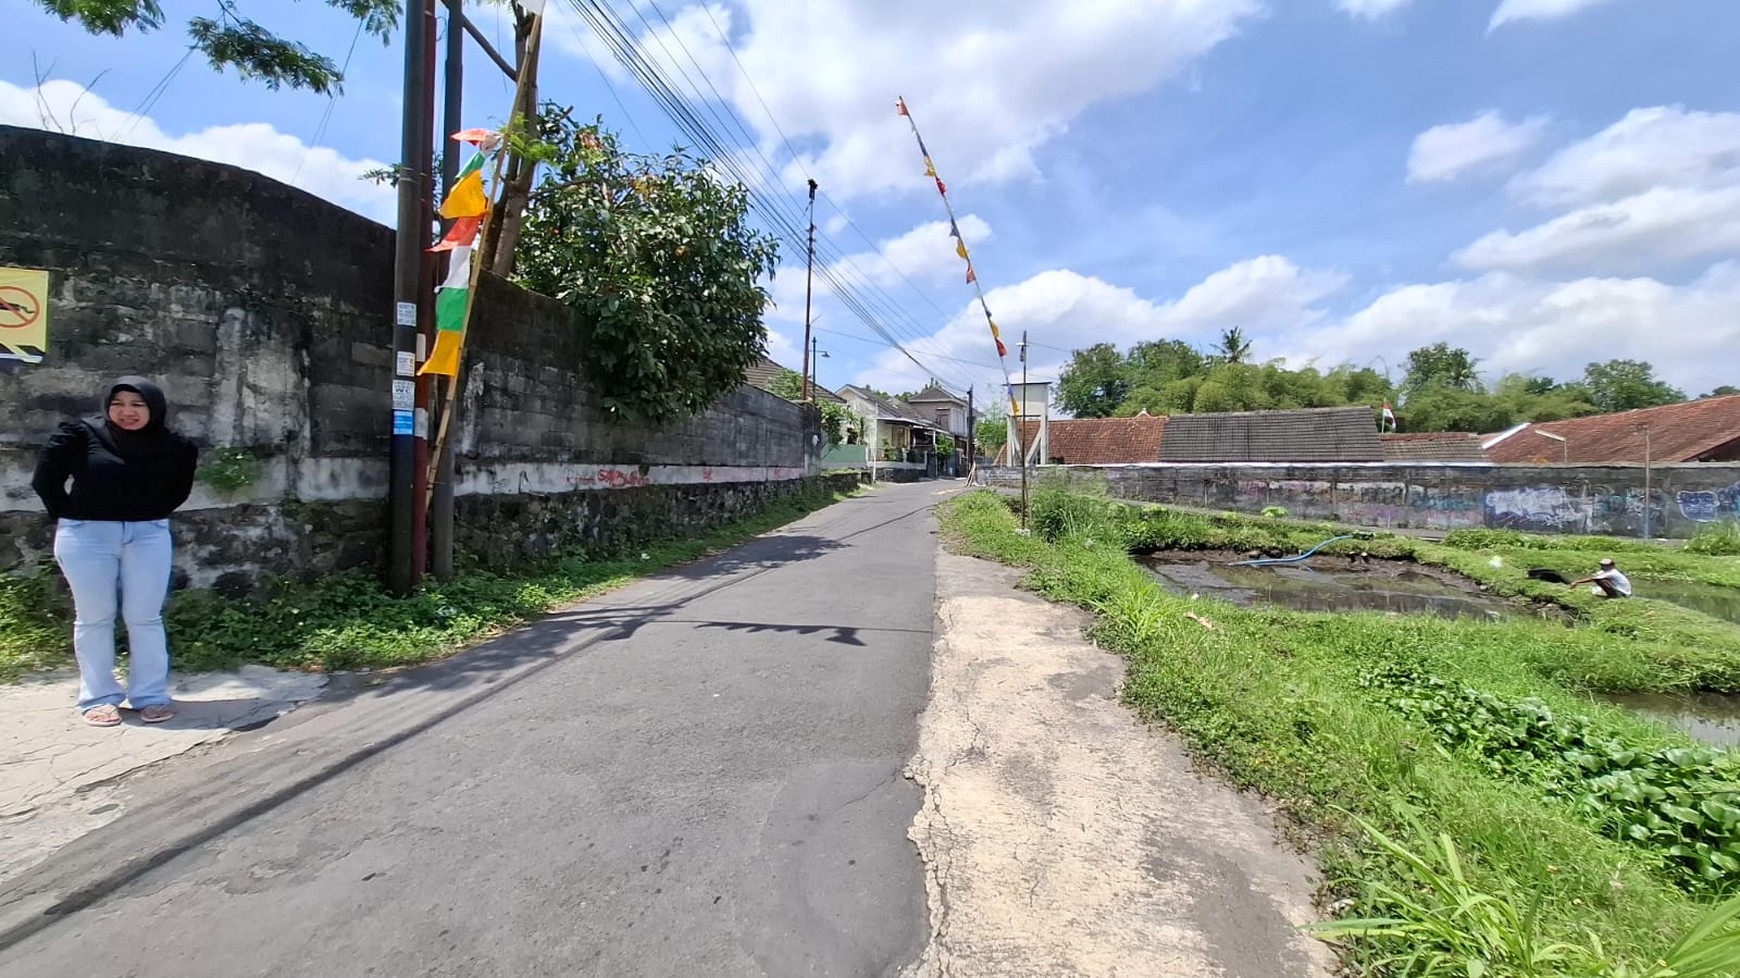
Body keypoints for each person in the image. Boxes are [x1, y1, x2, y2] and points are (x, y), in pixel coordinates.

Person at [31, 377, 199, 727]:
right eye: (118, 403)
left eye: (138, 404)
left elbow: (178, 490)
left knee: (145, 617)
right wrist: (73, 516)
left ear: (154, 408)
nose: (127, 412)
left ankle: (150, 696)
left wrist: (146, 513)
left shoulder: (176, 445)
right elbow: (45, 480)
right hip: (87, 536)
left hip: (148, 535)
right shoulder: (81, 435)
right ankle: (99, 697)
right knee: (94, 617)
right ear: (107, 405)